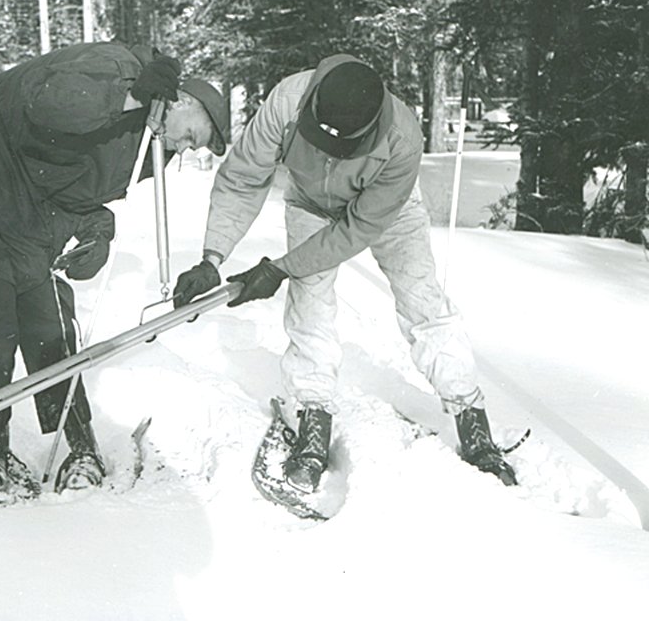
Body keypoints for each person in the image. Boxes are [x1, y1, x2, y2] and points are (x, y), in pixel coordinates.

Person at [0, 42, 229, 494]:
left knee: (47, 317)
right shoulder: (118, 68)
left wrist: (98, 230)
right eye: (193, 135)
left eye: (194, 147)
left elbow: (78, 190)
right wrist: (129, 97)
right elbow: (45, 102)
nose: (187, 149)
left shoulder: (153, 147)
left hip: (20, 201)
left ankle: (79, 444)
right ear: (185, 101)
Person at [172, 54, 517, 493]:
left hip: (387, 211)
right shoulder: (287, 102)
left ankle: (472, 418)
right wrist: (212, 257)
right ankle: (313, 416)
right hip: (310, 201)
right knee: (309, 306)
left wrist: (280, 268)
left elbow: (355, 230)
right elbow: (243, 177)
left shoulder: (401, 138)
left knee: (423, 301)